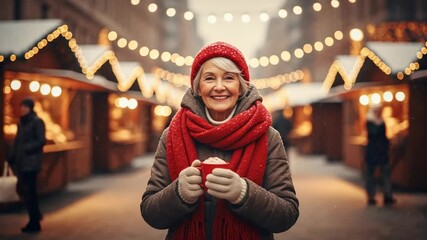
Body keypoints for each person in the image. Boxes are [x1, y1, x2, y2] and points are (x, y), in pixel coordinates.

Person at [141, 41, 299, 240]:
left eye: (229, 78)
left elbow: (287, 214)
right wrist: (178, 193)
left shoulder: (267, 136)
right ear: (198, 87)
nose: (219, 87)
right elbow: (150, 212)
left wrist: (243, 193)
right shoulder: (173, 134)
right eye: (209, 78)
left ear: (241, 87)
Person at [8, 97, 46, 233]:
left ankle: (34, 220)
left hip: (31, 163)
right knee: (27, 192)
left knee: (30, 192)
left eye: (25, 107)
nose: (22, 109)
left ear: (30, 108)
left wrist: (26, 148)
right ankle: (35, 217)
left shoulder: (36, 122)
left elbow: (41, 140)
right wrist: (12, 156)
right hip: (22, 162)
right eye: (21, 106)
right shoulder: (21, 123)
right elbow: (17, 142)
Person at [364, 104, 395, 206]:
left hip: (379, 153)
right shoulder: (370, 122)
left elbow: (382, 136)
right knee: (371, 175)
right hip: (374, 152)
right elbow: (375, 134)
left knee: (384, 174)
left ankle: (387, 195)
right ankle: (372, 196)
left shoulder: (380, 122)